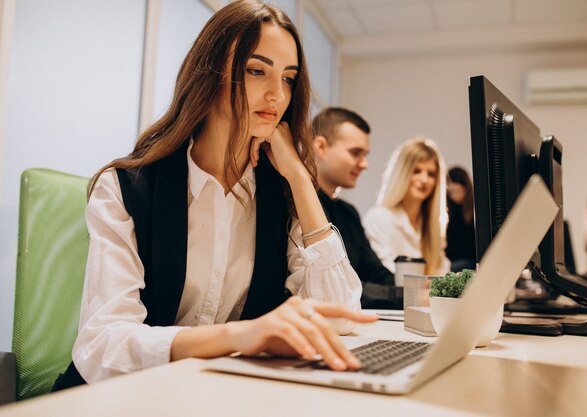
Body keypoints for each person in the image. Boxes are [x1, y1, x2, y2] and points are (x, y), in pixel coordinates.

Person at [52, 0, 376, 391]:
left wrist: (298, 178)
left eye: (289, 79)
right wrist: (238, 336)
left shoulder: (277, 194)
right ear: (210, 74)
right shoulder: (126, 187)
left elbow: (340, 318)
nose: (277, 94)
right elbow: (102, 344)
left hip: (214, 397)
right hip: (119, 398)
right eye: (257, 71)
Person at [312, 107, 401, 309]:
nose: (364, 164)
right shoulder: (294, 204)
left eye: (365, 154)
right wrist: (404, 296)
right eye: (355, 153)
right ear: (321, 147)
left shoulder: (348, 213)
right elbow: (341, 288)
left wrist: (427, 289)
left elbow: (377, 273)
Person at [364, 137, 449, 276]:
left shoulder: (435, 224)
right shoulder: (378, 218)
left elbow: (442, 270)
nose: (424, 180)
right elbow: (387, 273)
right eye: (416, 171)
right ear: (402, 173)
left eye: (431, 174)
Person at [445, 166, 477, 272]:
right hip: (452, 260)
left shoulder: (474, 210)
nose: (454, 196)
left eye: (457, 191)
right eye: (451, 193)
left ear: (466, 188)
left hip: (469, 261)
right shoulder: (449, 211)